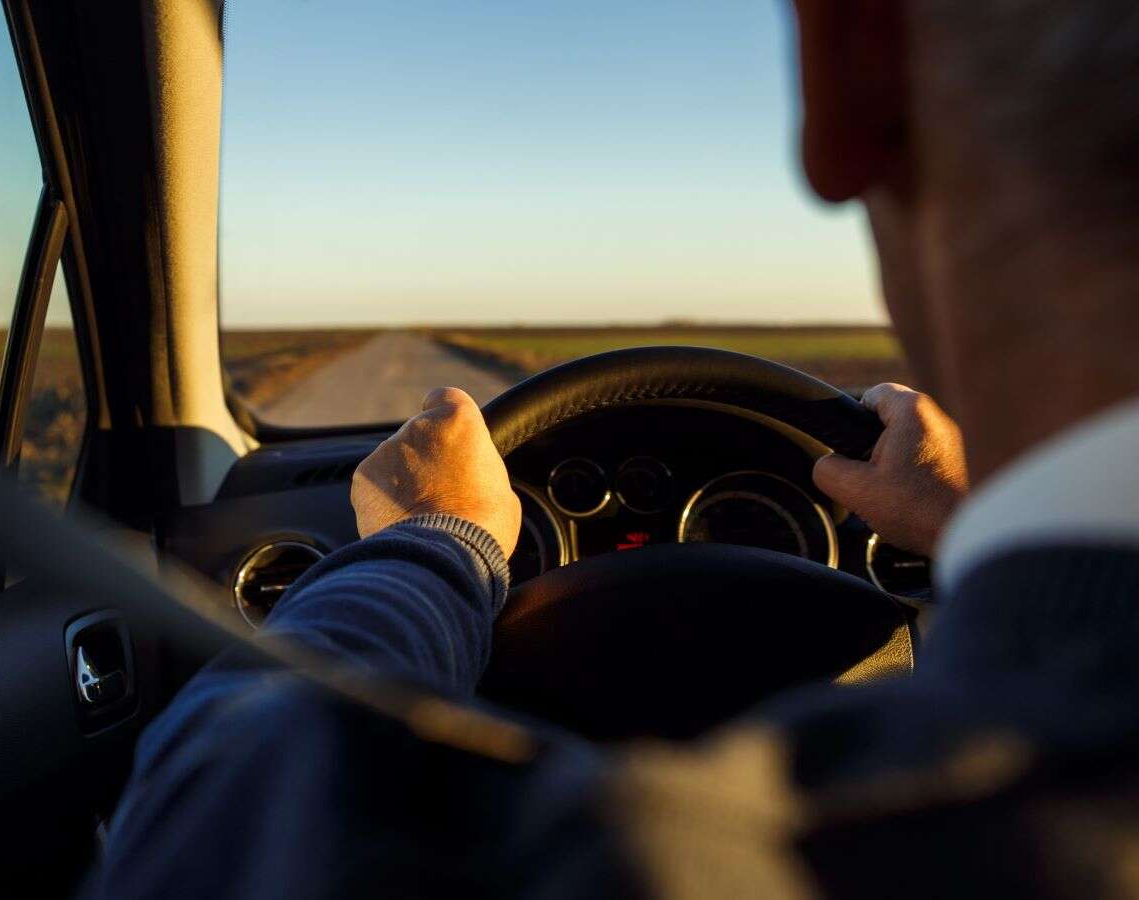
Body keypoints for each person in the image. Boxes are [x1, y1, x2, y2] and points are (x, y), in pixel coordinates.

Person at [89, 1, 1139, 896]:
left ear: (851, 61)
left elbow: (221, 812)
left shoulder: (614, 859)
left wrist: (436, 548)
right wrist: (970, 526)